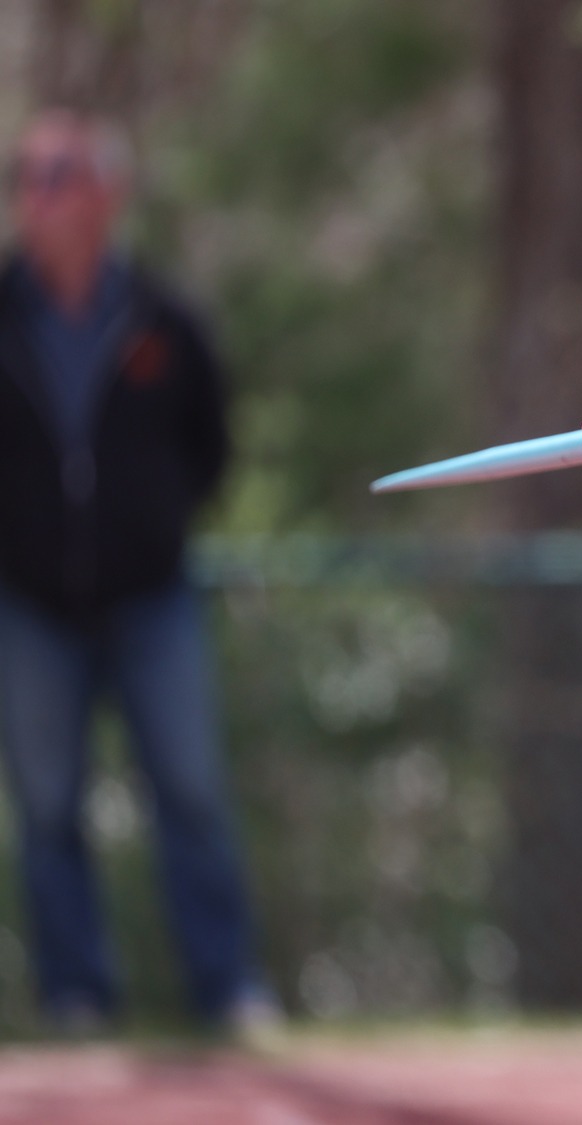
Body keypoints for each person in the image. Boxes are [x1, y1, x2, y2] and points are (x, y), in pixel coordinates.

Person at [0, 110, 272, 1036]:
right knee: (45, 805)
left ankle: (228, 988)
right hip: (31, 605)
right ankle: (77, 995)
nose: (35, 195)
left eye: (57, 174)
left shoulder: (165, 318)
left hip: (154, 599)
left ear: (105, 193)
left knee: (191, 790)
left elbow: (210, 448)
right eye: (25, 176)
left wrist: (147, 528)